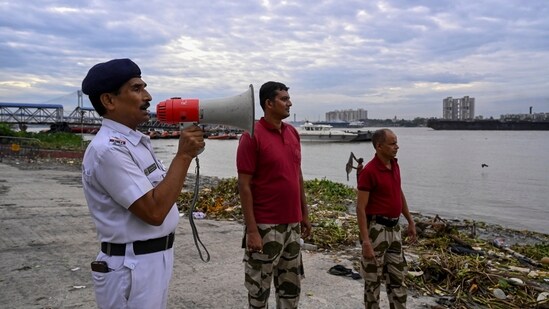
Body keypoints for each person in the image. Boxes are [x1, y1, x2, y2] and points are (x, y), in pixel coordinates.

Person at [80, 58, 205, 309]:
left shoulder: (133, 143)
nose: (147, 96)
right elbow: (154, 211)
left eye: (144, 87)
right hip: (131, 266)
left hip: (148, 259)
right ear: (109, 100)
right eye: (136, 89)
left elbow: (159, 193)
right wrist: (183, 156)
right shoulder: (108, 151)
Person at [236, 81, 312, 309]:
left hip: (292, 225)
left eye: (289, 98)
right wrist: (252, 230)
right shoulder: (251, 136)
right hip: (265, 226)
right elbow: (244, 185)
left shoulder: (292, 133)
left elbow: (297, 176)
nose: (290, 103)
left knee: (291, 291)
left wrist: (304, 214)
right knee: (259, 292)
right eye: (284, 99)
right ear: (269, 104)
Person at [356, 128, 417, 309]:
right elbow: (360, 208)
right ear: (379, 146)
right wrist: (366, 241)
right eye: (392, 144)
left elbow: (398, 193)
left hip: (394, 230)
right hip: (377, 231)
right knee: (373, 282)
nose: (396, 147)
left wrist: (410, 220)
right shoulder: (369, 172)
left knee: (398, 280)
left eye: (396, 143)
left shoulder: (394, 165)